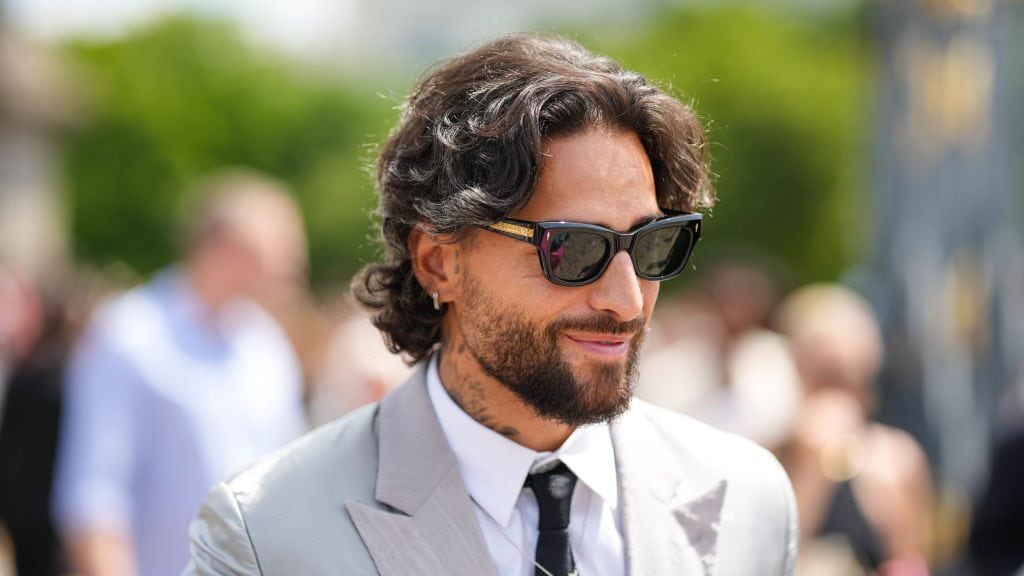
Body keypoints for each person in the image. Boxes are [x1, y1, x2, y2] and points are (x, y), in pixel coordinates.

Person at [185, 34, 798, 576]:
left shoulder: (747, 498)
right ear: (438, 262)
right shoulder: (266, 534)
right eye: (573, 248)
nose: (627, 298)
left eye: (652, 244)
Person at [52, 170, 309, 576]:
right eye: (281, 248)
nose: (294, 264)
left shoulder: (266, 345)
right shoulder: (130, 334)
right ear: (224, 247)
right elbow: (95, 498)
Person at [774, 284, 932, 576]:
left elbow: (912, 562)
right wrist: (811, 472)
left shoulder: (897, 458)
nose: (843, 392)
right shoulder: (769, 455)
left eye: (857, 375)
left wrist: (882, 498)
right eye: (828, 374)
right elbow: (771, 560)